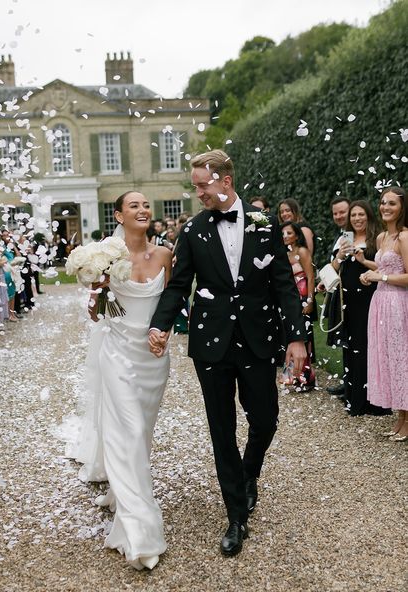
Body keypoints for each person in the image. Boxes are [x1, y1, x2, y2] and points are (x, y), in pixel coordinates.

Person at [149, 150, 306, 557]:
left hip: (257, 338)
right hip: (210, 344)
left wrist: (297, 337)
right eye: (196, 184)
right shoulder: (193, 230)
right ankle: (236, 516)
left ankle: (248, 474)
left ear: (226, 181)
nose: (197, 191)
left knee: (266, 419)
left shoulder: (264, 223)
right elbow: (178, 285)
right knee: (221, 429)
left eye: (202, 184)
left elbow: (284, 284)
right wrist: (160, 324)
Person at [64, 191, 172, 570]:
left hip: (154, 359)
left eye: (146, 205)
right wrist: (98, 286)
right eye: (134, 206)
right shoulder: (107, 255)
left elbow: (169, 304)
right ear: (119, 215)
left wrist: (165, 332)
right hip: (118, 355)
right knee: (127, 431)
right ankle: (140, 529)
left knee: (140, 435)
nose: (143, 210)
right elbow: (97, 314)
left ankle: (121, 491)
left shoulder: (163, 255)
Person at [331, 200, 387, 417]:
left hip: (371, 296)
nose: (357, 219)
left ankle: (374, 400)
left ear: (368, 216)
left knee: (370, 344)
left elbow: (387, 267)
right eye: (353, 215)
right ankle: (353, 396)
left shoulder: (378, 238)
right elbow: (333, 269)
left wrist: (363, 261)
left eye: (360, 215)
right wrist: (340, 256)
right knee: (352, 344)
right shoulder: (344, 239)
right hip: (349, 300)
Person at [361, 186, 408, 440]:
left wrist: (382, 275)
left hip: (399, 304)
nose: (386, 207)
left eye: (392, 203)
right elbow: (381, 266)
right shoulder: (381, 238)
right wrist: (368, 272)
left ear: (402, 208)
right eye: (382, 202)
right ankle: (400, 416)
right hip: (380, 303)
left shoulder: (404, 237)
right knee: (388, 357)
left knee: (402, 357)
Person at [280, 222, 316, 390]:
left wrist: (310, 301)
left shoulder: (302, 251)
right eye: (283, 233)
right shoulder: (284, 254)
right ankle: (291, 376)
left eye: (289, 232)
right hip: (290, 300)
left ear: (296, 235)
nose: (285, 236)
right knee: (291, 337)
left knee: (304, 339)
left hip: (302, 298)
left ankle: (306, 378)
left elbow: (310, 276)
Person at [324, 197, 351, 397]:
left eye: (342, 212)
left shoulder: (352, 237)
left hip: (350, 294)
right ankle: (348, 381)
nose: (339, 216)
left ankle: (352, 383)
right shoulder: (341, 235)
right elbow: (336, 263)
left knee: (351, 339)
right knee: (345, 340)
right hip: (338, 291)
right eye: (335, 213)